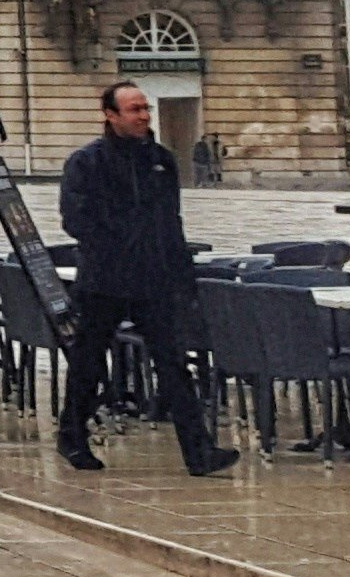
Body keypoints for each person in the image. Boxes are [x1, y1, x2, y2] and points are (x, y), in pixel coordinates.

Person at [56, 78, 237, 477]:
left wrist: (180, 272)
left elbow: (172, 219)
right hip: (104, 279)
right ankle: (71, 434)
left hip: (153, 280)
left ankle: (198, 450)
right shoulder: (87, 162)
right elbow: (76, 220)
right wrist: (120, 241)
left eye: (145, 109)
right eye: (134, 110)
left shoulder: (160, 159)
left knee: (172, 363)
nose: (142, 116)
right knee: (88, 360)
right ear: (110, 115)